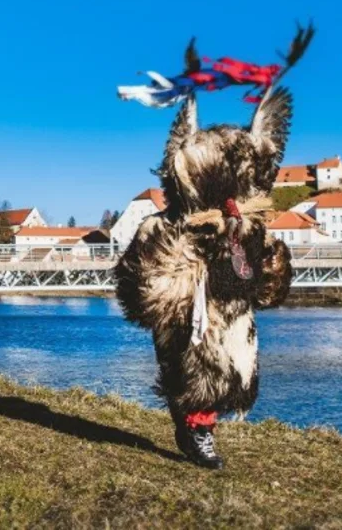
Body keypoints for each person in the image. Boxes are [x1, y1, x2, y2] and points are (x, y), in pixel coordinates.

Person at [114, 26, 311, 469]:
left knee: (235, 356)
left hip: (233, 257)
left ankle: (200, 426)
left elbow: (265, 141)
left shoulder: (249, 169)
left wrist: (260, 252)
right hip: (189, 266)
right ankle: (196, 429)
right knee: (190, 355)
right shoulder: (186, 174)